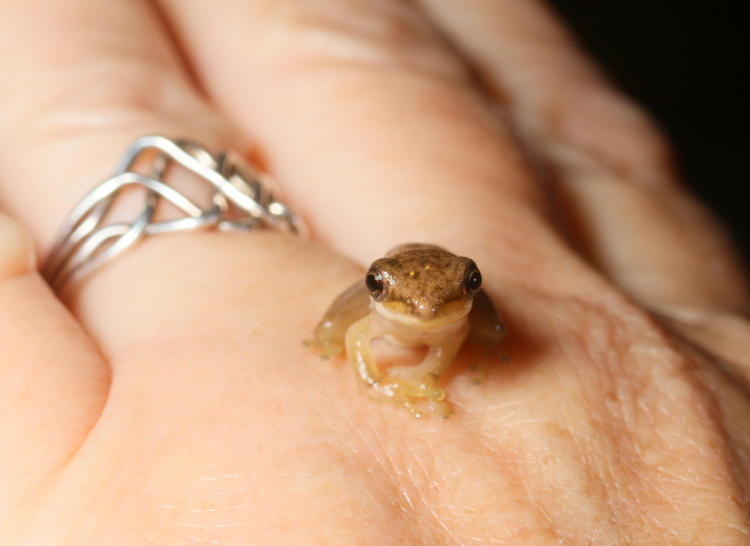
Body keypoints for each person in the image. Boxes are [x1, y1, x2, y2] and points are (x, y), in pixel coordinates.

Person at [1, 0, 748, 543]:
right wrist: (388, 373)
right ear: (378, 287)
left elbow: (477, 324)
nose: (423, 312)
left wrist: (472, 346)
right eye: (390, 295)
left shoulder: (464, 306)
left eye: (460, 291)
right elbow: (357, 339)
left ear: (469, 284)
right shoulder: (371, 309)